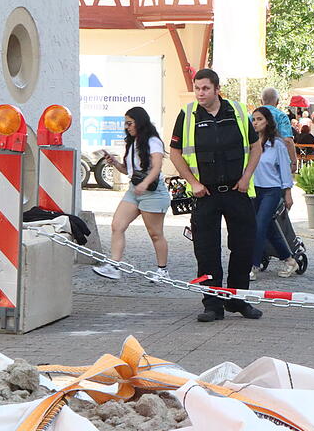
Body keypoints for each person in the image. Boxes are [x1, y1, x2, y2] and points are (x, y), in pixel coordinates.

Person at [169, 68, 263, 322]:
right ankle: (212, 304)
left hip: (237, 191)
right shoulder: (187, 115)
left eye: (205, 88)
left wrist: (246, 178)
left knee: (243, 247)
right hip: (205, 194)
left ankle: (237, 299)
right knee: (207, 251)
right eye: (197, 88)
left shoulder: (238, 111)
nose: (200, 93)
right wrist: (193, 182)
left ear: (217, 89)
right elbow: (175, 152)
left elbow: (256, 147)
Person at [92, 106, 170, 281]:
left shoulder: (153, 141)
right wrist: (114, 162)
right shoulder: (133, 142)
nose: (127, 127)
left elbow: (157, 167)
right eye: (126, 124)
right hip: (134, 190)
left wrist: (145, 183)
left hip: (153, 192)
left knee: (155, 233)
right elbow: (128, 170)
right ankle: (114, 265)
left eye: (129, 123)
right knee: (117, 225)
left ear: (139, 122)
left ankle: (162, 270)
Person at [248, 107, 298, 280]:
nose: (255, 123)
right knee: (269, 228)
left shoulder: (277, 145)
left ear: (268, 121)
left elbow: (284, 170)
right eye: (253, 119)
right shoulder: (250, 144)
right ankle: (290, 259)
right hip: (255, 190)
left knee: (259, 225)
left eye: (259, 119)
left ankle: (253, 265)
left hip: (272, 190)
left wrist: (288, 193)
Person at [260, 87, 297, 171]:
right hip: (276, 161)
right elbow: (287, 140)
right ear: (277, 101)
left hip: (256, 159)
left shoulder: (253, 116)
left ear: (261, 101)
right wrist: (293, 161)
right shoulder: (281, 116)